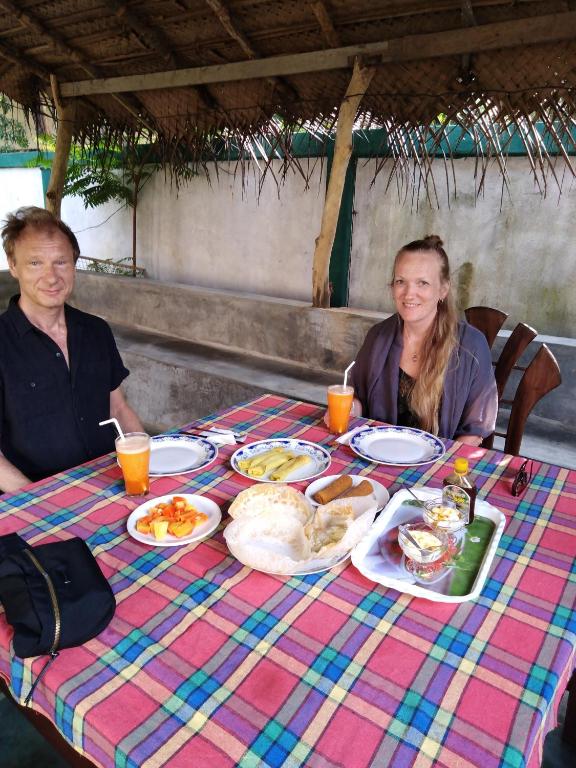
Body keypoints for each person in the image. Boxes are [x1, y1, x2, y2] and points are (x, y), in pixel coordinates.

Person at [0, 206, 143, 492]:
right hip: (33, 497)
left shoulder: (95, 331)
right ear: (13, 265)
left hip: (110, 481)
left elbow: (117, 406)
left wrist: (146, 460)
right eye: (35, 263)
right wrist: (37, 501)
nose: (52, 277)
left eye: (61, 262)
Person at [352, 235, 497, 445]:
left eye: (422, 283)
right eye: (401, 281)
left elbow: (473, 432)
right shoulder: (378, 337)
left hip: (440, 465)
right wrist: (350, 408)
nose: (409, 294)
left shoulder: (470, 346)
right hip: (378, 454)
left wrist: (438, 472)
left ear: (443, 289)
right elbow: (358, 399)